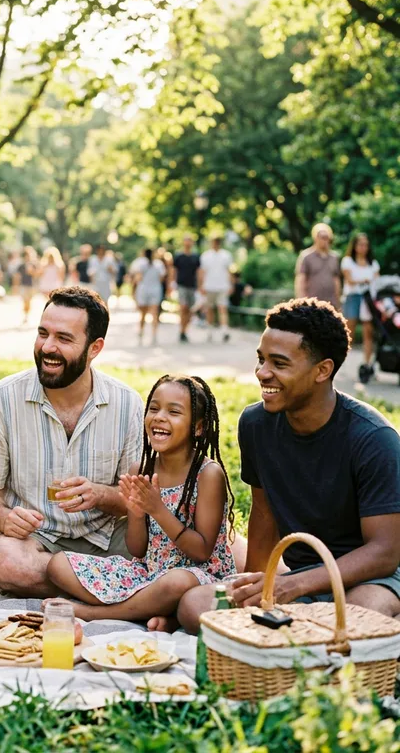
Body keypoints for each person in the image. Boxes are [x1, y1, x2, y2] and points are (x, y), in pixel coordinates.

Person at [178, 298, 400, 632]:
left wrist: (293, 586)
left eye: (279, 364)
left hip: (372, 580)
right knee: (195, 606)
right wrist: (254, 586)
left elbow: (384, 552)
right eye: (261, 359)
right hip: (298, 576)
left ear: (322, 371)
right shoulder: (255, 424)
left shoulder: (373, 438)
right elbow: (264, 514)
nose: (262, 373)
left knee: (354, 623)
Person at [0, 286, 145, 597]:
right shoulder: (0, 400)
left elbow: (135, 500)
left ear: (95, 348)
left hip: (106, 541)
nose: (48, 347)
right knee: (4, 561)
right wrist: (4, 517)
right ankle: (119, 588)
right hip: (35, 544)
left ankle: (85, 588)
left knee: (168, 545)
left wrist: (100, 494)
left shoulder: (127, 404)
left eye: (64, 338)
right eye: (42, 333)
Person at [46, 375, 236, 626]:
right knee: (58, 565)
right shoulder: (142, 469)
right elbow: (137, 550)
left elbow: (201, 551)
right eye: (154, 408)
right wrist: (135, 513)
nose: (159, 417)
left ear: (198, 427)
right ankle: (158, 612)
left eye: (174, 412)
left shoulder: (208, 474)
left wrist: (158, 511)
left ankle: (96, 613)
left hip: (199, 577)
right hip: (150, 572)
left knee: (176, 582)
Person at [341, 232, 379, 369]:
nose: (363, 247)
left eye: (366, 245)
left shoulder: (373, 263)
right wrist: (365, 280)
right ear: (355, 246)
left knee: (368, 331)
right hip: (353, 297)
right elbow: (349, 280)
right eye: (361, 244)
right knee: (349, 330)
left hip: (368, 298)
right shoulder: (348, 261)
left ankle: (367, 363)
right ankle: (342, 362)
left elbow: (376, 281)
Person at [295, 221, 340, 308]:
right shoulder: (306, 256)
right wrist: (301, 301)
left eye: (327, 237)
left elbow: (336, 280)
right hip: (312, 303)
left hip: (330, 303)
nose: (324, 240)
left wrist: (338, 300)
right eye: (322, 237)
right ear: (315, 238)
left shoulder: (334, 257)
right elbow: (300, 280)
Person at [198, 236, 233, 343]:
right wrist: (201, 286)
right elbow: (202, 272)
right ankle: (210, 331)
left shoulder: (226, 255)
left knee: (222, 308)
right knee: (209, 309)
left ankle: (224, 330)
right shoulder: (206, 256)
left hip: (222, 286)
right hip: (209, 286)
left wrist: (231, 284)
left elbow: (229, 271)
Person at [129, 249, 166, 345]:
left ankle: (141, 332)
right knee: (154, 313)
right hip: (155, 289)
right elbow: (162, 278)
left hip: (143, 290)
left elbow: (138, 278)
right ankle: (154, 334)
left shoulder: (140, 264)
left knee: (143, 313)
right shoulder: (159, 264)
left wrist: (133, 291)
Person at [173, 235, 201, 343]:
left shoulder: (195, 257)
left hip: (192, 286)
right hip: (181, 285)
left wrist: (200, 285)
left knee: (190, 310)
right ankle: (182, 330)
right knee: (183, 307)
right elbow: (174, 270)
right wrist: (172, 283)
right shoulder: (179, 256)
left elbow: (199, 272)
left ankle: (184, 330)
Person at [20, 247, 38, 324]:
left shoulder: (34, 265)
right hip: (23, 285)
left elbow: (37, 275)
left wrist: (32, 272)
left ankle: (27, 314)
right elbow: (18, 276)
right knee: (25, 300)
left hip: (31, 285)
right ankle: (25, 315)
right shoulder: (21, 265)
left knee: (29, 301)